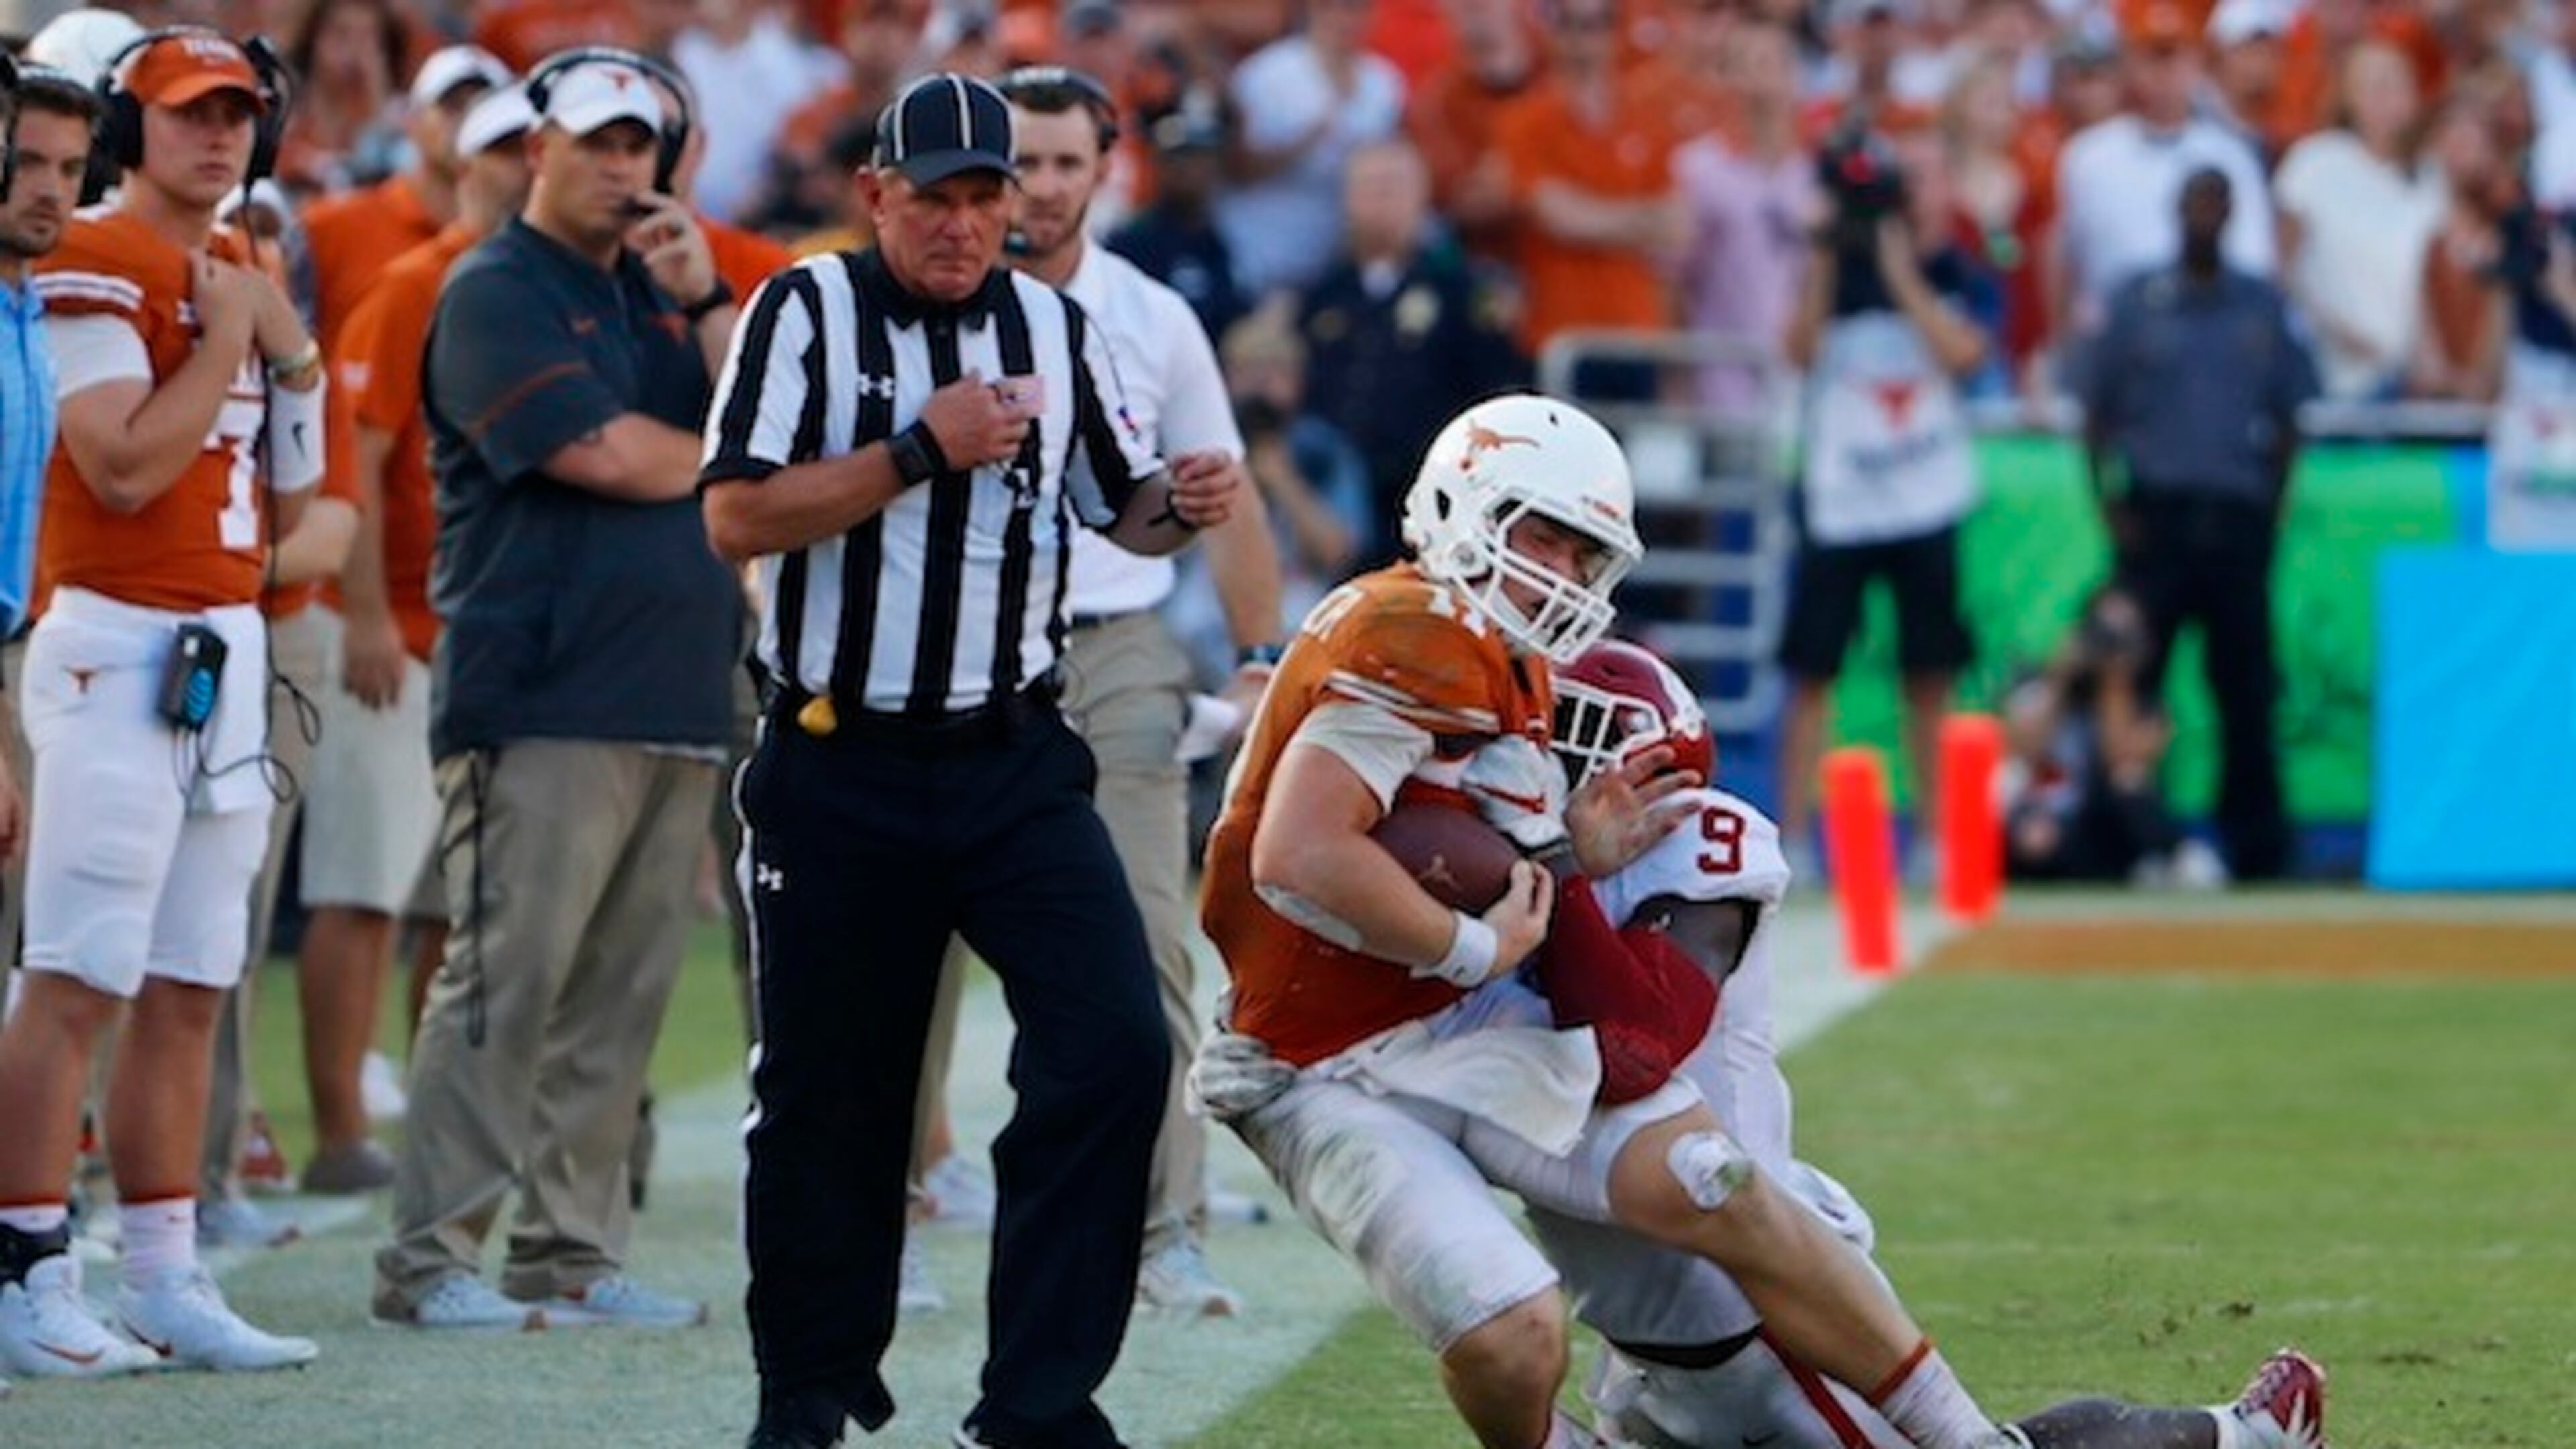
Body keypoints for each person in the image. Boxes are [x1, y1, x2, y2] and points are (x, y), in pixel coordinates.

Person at [1195, 392, 2004, 1449]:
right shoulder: (1418, 628)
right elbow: (1302, 853)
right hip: (1328, 1060)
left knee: (1717, 1180)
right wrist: (1473, 947)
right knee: (1513, 1335)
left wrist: (1559, 865)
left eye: (1587, 557)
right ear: (1465, 505)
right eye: (1549, 540)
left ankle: (1967, 1438)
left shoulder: (1501, 653)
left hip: (1439, 1018)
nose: (1568, 579)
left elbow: (1448, 844)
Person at [698, 72, 1240, 1449]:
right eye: (931, 194)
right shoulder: (800, 309)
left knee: (1116, 1044)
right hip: (839, 758)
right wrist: (913, 451)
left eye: (983, 193)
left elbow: (1115, 502)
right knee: (831, 1090)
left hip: (1011, 754)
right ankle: (809, 1387)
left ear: (1020, 201)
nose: (959, 221)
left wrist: (1180, 504)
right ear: (874, 191)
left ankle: (1038, 1402)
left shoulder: (1054, 327)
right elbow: (738, 518)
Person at [1529, 639, 2329, 1449]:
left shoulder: (1694, 851)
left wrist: (1559, 870)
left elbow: (1643, 1044)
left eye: (1569, 736)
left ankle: (2247, 1435)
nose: (1541, 756)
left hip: (1760, 1311)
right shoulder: (1519, 867)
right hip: (1648, 1334)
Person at [370, 54, 741, 1332]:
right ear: (541, 149)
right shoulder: (491, 291)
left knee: (619, 998)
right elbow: (611, 457)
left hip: (676, 689)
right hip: (539, 691)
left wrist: (708, 299)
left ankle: (571, 1252)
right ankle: (430, 1259)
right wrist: (742, 480)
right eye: (597, 144)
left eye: (641, 146)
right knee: (507, 984)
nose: (623, 167)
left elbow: (768, 417)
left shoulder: (659, 293)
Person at [920, 63, 1280, 1320]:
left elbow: (1220, 494)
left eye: (1068, 162)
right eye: (1022, 163)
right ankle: (909, 1196)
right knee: (908, 948)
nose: (1043, 188)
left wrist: (1262, 651)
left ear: (1104, 169)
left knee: (1142, 944)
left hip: (1111, 644)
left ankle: (1163, 1227)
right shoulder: (911, 307)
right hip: (948, 643)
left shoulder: (1151, 317)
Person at [0, 25, 325, 1378]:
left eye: (240, 112)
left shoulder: (239, 269)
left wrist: (287, 351)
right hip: (118, 637)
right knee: (76, 971)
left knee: (195, 975)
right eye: (190, 113)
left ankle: (165, 1270)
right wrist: (232, 342)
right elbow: (124, 467)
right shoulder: (90, 254)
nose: (221, 135)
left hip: (224, 645)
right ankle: (25, 1271)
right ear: (132, 133)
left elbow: (295, 502)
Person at [301, 81, 539, 1205]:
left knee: (456, 910)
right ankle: (341, 1128)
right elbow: (360, 450)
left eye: (540, 149)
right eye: (503, 152)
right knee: (362, 890)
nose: (523, 168)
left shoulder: (550, 286)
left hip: (487, 636)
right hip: (399, 629)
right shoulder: (416, 282)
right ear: (464, 164)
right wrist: (361, 617)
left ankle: (434, 1128)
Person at [2082, 168, 2314, 883]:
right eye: (2194, 204)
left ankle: (2258, 849)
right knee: (2131, 681)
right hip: (2159, 517)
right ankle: (2119, 840)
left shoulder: (2260, 306)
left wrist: (2272, 511)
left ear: (2232, 215)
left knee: (2245, 690)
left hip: (2236, 515)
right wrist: (2111, 509)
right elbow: (2096, 416)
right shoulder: (2139, 303)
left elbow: (2289, 420)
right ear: (2176, 212)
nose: (2205, 217)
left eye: (2217, 205)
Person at [1774, 129, 1990, 876]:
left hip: (1925, 498)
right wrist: (1830, 259)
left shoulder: (1948, 269)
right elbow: (1796, 352)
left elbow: (1963, 353)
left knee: (1930, 672)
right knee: (1813, 671)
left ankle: (1934, 836)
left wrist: (1900, 271)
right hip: (1842, 503)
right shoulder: (1827, 276)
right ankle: (1795, 837)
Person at [1998, 586, 2222, 886]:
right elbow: (2022, 749)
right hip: (2041, 816)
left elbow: (2123, 762)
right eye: (2101, 631)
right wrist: (2060, 676)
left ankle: (2175, 857)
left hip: (2097, 823)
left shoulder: (2146, 702)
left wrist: (2115, 684)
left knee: (2129, 778)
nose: (2108, 644)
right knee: (2016, 794)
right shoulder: (2040, 682)